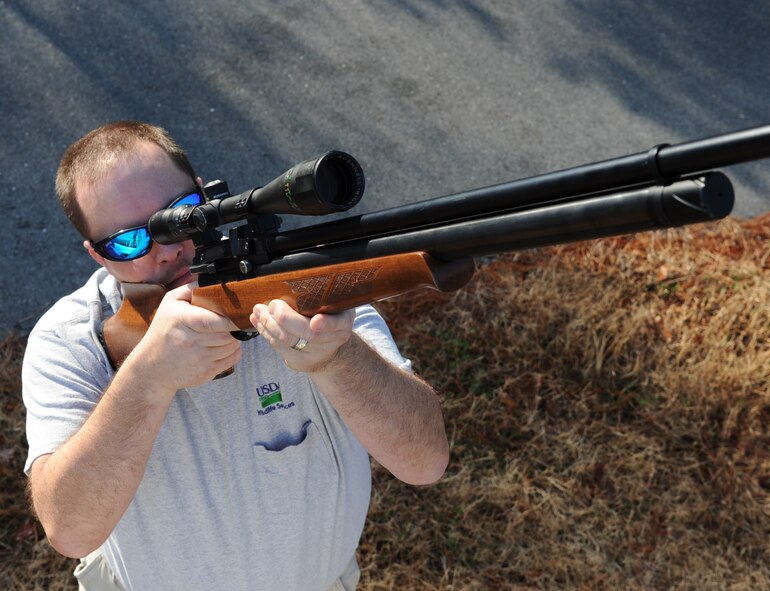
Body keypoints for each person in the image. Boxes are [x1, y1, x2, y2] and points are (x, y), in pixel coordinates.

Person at [21, 121, 450, 591]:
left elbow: (425, 462)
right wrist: (147, 380)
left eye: (180, 213)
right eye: (129, 241)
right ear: (97, 256)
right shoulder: (70, 339)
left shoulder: (303, 283)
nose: (168, 248)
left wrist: (337, 357)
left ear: (206, 198)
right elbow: (71, 530)